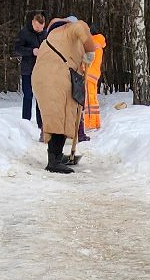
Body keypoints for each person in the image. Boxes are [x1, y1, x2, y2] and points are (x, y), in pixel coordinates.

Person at [32, 16, 97, 174]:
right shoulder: (71, 29)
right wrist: (90, 51)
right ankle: (53, 162)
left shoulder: (51, 39)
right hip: (55, 77)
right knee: (59, 118)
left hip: (42, 79)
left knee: (55, 117)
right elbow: (81, 29)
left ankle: (57, 155)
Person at [12, 11, 48, 127]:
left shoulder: (45, 34)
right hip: (28, 69)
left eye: (41, 28)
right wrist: (31, 51)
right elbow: (17, 49)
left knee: (41, 97)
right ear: (33, 22)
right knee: (28, 95)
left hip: (41, 69)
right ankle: (25, 123)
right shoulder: (24, 33)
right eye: (37, 27)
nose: (39, 30)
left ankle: (41, 124)